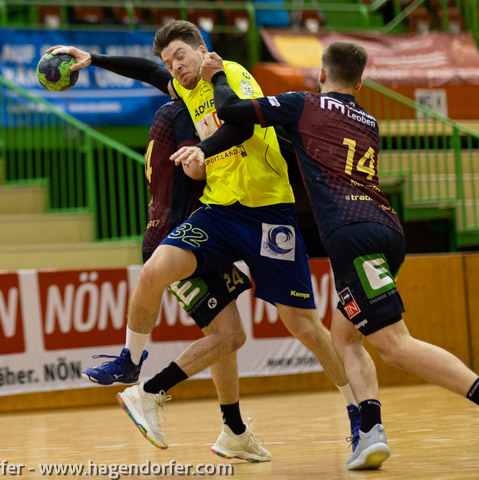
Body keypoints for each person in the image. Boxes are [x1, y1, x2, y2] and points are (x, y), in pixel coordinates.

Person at [173, 41, 479, 470]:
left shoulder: (304, 104)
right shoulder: (368, 120)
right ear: (360, 84)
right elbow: (313, 145)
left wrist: (216, 75)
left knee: (394, 345)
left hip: (351, 234)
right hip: (387, 229)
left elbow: (232, 111)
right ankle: (371, 433)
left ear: (321, 74)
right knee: (344, 338)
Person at [47, 19, 360, 455]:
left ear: (201, 50)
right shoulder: (184, 87)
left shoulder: (229, 73)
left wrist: (202, 149)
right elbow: (147, 71)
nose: (174, 67)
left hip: (269, 212)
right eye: (169, 61)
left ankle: (356, 413)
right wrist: (93, 59)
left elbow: (243, 125)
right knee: (155, 269)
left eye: (180, 56)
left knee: (303, 326)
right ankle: (130, 362)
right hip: (220, 212)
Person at [89, 95, 272, 461]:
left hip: (187, 234)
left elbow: (151, 72)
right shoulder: (189, 114)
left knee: (225, 335)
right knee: (230, 336)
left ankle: (234, 431)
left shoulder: (165, 112)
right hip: (183, 238)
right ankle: (147, 391)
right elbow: (194, 169)